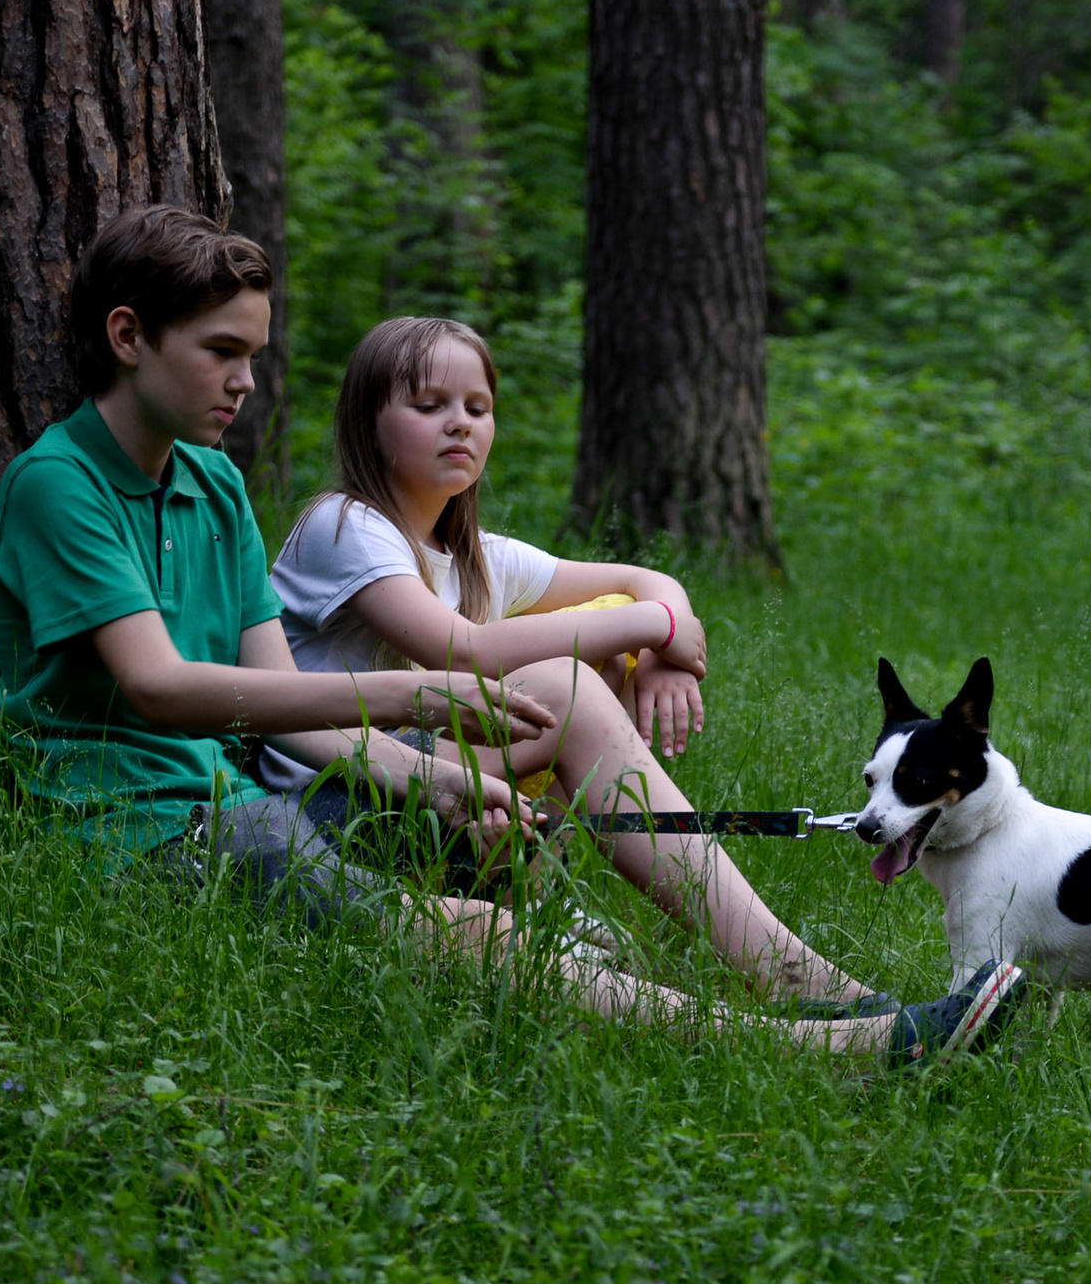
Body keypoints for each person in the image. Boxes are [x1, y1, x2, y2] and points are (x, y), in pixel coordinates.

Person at [260, 314, 1026, 1060]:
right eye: (429, 405)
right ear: (368, 422)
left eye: (478, 407)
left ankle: (786, 973)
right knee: (569, 685)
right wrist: (651, 626)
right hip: (325, 814)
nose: (459, 424)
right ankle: (785, 972)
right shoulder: (344, 525)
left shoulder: (472, 555)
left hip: (429, 800)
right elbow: (468, 650)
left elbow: (641, 577)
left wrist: (659, 636)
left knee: (590, 672)